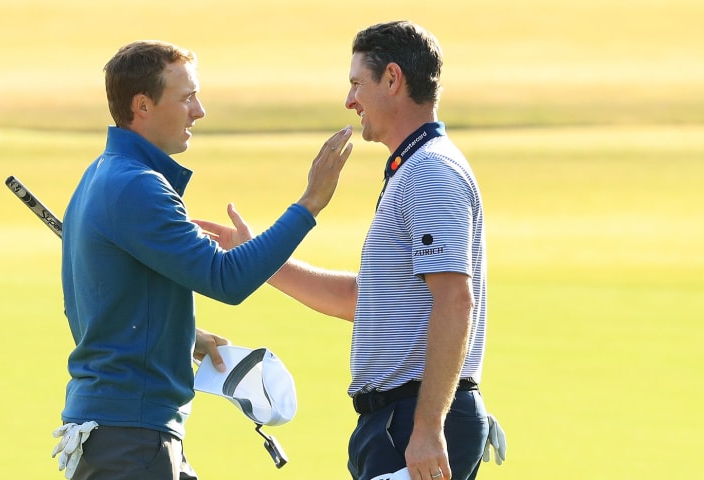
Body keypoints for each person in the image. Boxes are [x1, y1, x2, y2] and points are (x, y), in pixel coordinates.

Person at [195, 21, 493, 480]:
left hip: (411, 420)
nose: (349, 100)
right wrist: (259, 256)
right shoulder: (413, 169)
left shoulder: (430, 173)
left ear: (392, 79)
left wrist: (431, 426)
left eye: (357, 83)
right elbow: (364, 301)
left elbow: (455, 301)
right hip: (395, 421)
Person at [55, 40, 353, 480]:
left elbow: (97, 300)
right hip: (131, 440)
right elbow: (225, 279)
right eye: (187, 97)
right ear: (142, 106)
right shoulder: (137, 187)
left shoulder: (102, 174)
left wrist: (178, 333)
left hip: (120, 434)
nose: (200, 111)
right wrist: (309, 204)